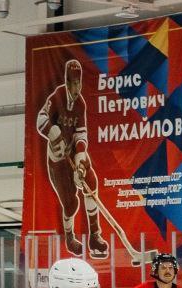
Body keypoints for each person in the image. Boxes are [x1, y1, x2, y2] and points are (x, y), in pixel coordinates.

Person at [36, 59, 109, 260]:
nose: (77, 88)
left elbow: (81, 135)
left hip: (72, 152)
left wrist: (80, 162)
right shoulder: (57, 95)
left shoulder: (80, 104)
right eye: (73, 83)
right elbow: (41, 118)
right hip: (57, 161)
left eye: (79, 83)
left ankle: (95, 236)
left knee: (90, 181)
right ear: (67, 82)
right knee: (71, 204)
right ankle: (69, 237)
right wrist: (52, 132)